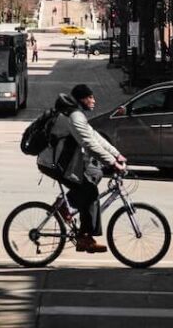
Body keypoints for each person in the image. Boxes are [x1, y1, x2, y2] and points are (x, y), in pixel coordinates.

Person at [55, 83, 126, 254]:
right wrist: (113, 163)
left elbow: (95, 137)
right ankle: (85, 238)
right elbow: (89, 143)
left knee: (95, 172)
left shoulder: (78, 115)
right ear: (82, 99)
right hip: (57, 163)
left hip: (67, 161)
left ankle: (65, 203)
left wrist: (116, 154)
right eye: (90, 97)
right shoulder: (75, 116)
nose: (94, 101)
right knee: (91, 192)